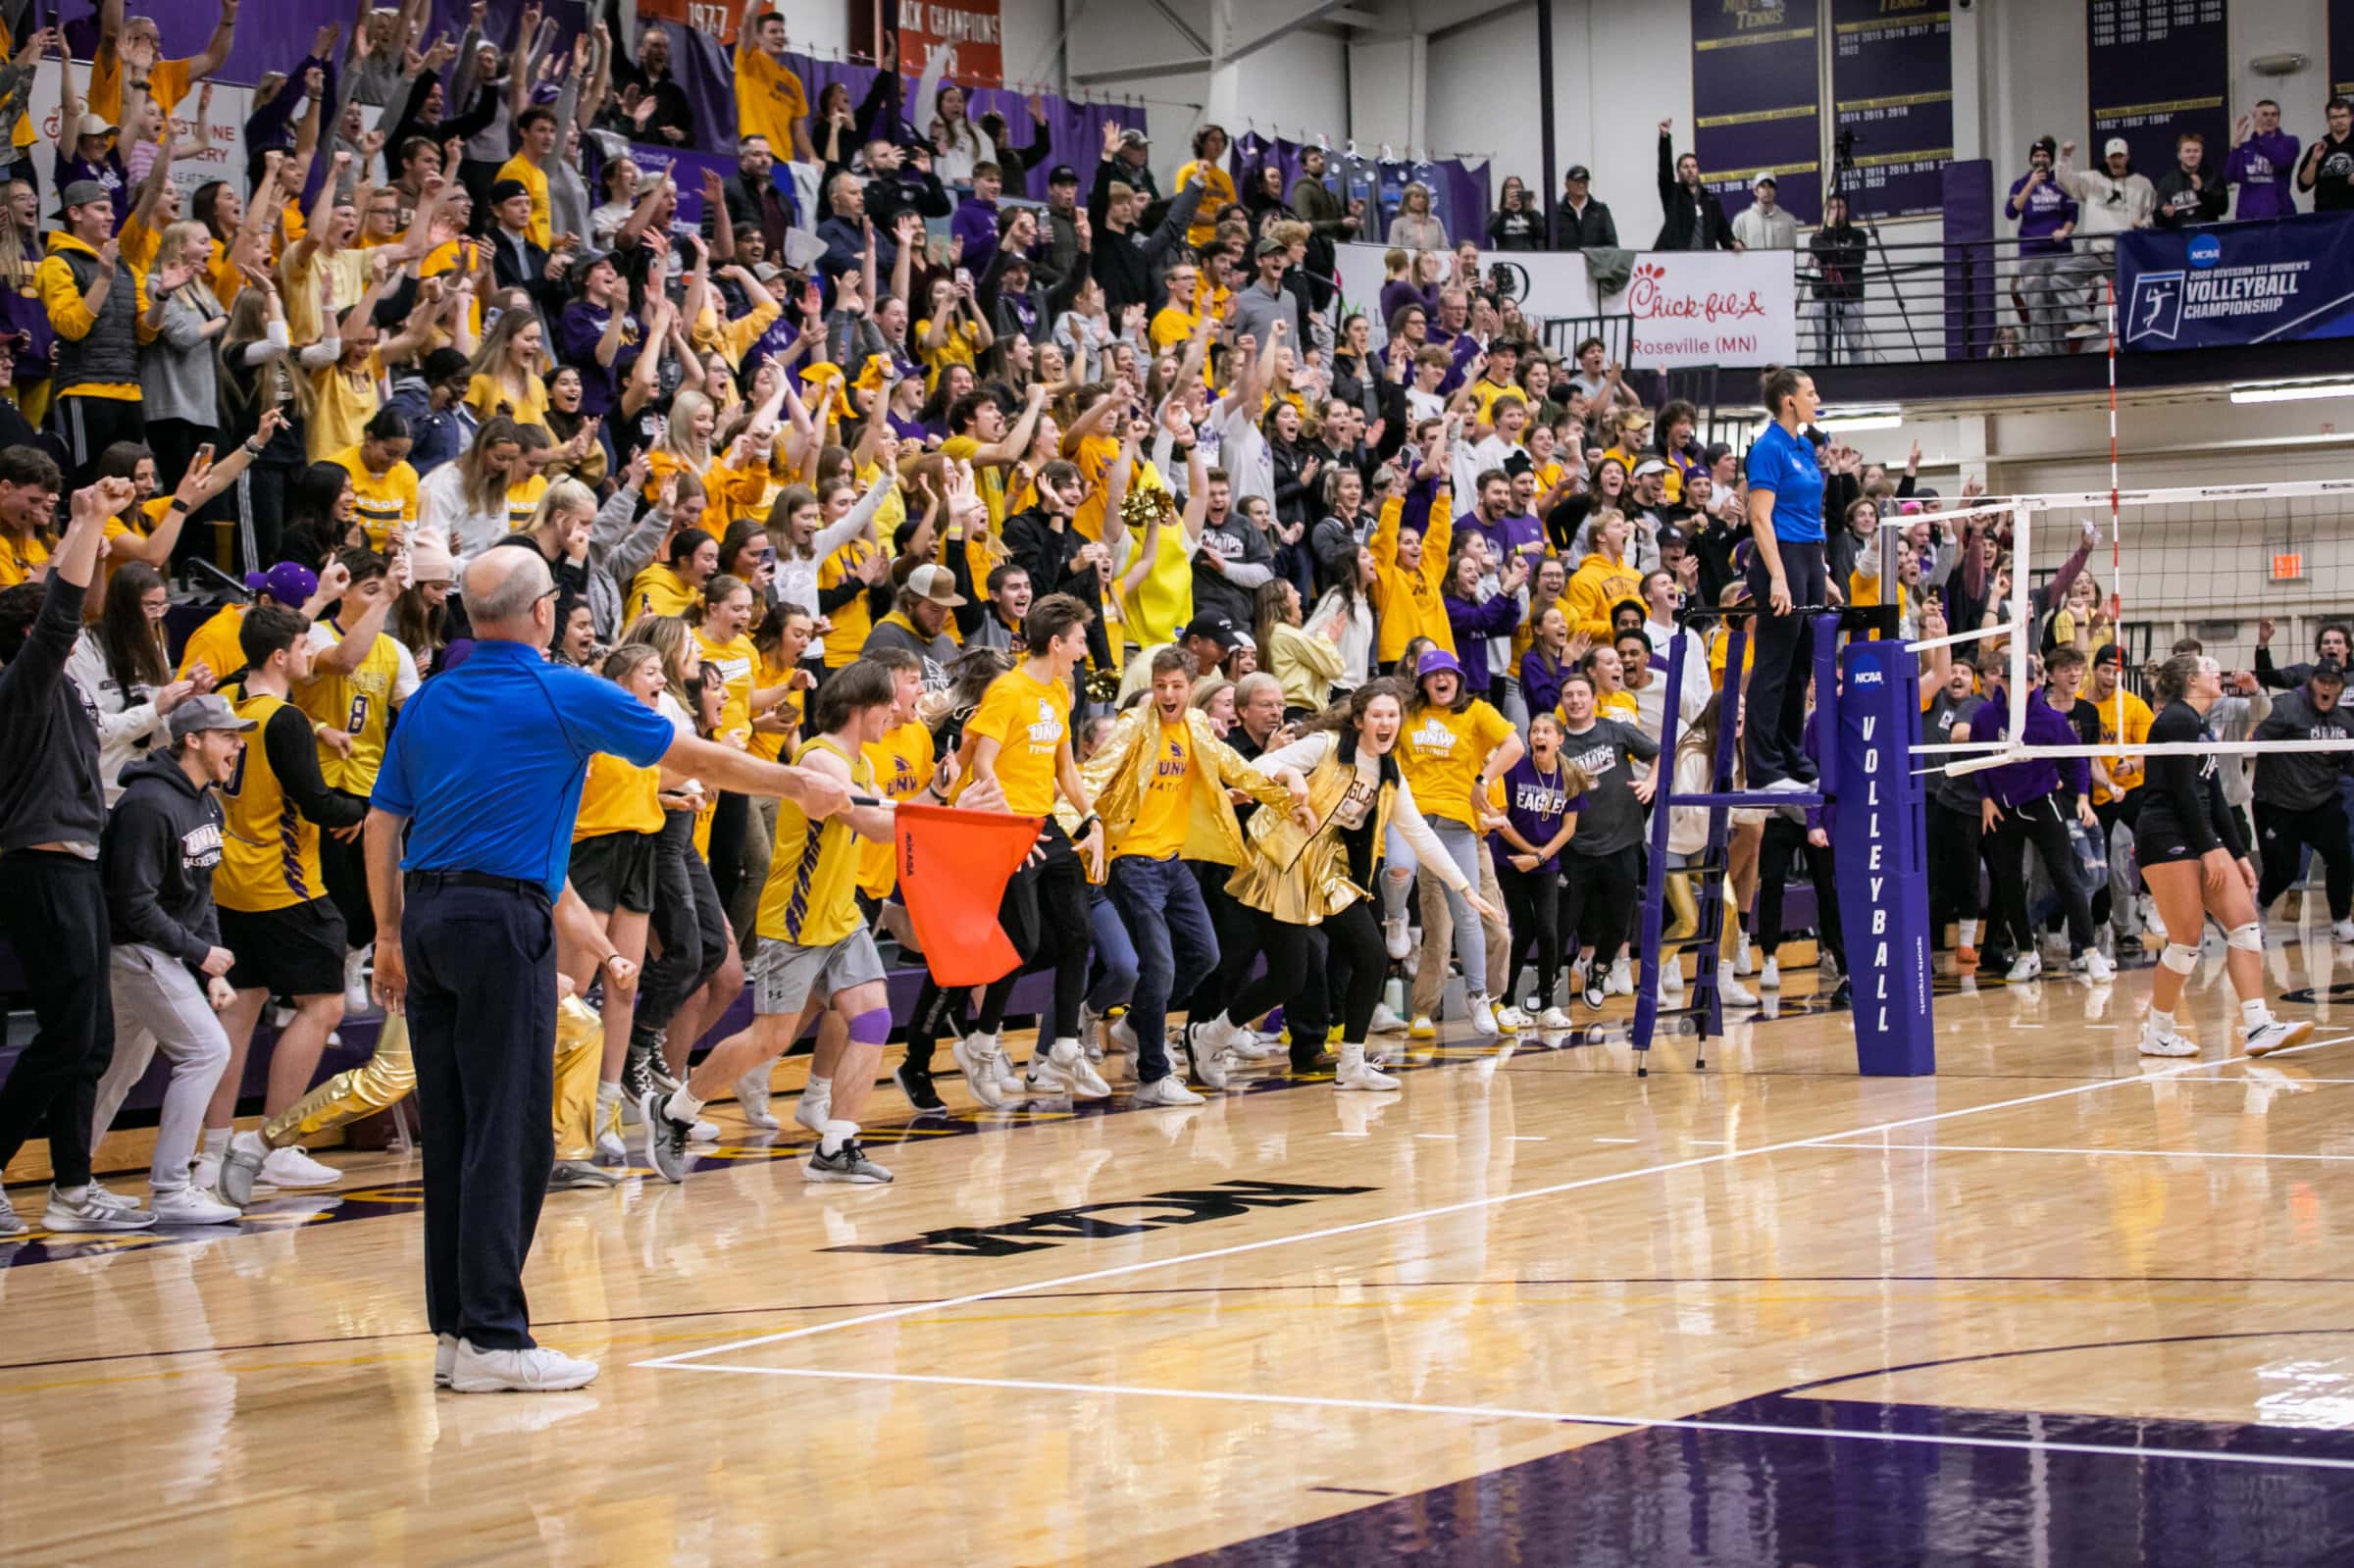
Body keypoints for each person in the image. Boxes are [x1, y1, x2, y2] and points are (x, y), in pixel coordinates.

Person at [365, 546, 849, 1392]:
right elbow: (695, 758)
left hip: (430, 916)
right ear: (543, 613)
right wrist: (795, 781)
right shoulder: (563, 689)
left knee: (453, 1130)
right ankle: (493, 1337)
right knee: (510, 1129)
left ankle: (455, 1330)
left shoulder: (433, 697)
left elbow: (382, 820)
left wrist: (388, 932)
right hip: (499, 919)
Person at [644, 660, 909, 1184]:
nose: (896, 712)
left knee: (874, 1017)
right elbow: (876, 826)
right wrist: (940, 809)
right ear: (861, 707)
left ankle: (837, 1144)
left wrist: (942, 802)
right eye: (888, 703)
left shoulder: (862, 766)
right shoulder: (820, 760)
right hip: (796, 917)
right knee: (769, 1039)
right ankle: (675, 1110)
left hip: (838, 914)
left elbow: (887, 817)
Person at [1205, 680, 1503, 1091]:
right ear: (1360, 720)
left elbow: (1419, 834)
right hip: (1284, 861)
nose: (1386, 723)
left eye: (1393, 715)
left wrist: (1466, 890)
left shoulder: (1387, 773)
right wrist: (1291, 773)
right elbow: (1255, 769)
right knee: (1290, 977)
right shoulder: (1325, 746)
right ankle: (1212, 1036)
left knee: (1371, 955)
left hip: (1329, 870)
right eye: (1377, 715)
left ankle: (1351, 1063)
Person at [0, 470, 141, 1237]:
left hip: (78, 861)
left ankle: (72, 1186)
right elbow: (60, 612)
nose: (79, 635)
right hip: (39, 864)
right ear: (29, 641)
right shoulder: (16, 689)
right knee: (67, 1034)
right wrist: (86, 517)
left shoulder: (61, 693)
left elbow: (62, 608)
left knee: (93, 1036)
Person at [196, 601, 371, 1195]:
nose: (309, 657)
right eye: (303, 648)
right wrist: (367, 812)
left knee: (240, 1012)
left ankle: (214, 1149)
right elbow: (317, 802)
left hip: (227, 875)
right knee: (324, 1006)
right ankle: (275, 1141)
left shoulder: (225, 700)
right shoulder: (283, 719)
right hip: (283, 881)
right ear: (280, 654)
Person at [1082, 646, 1309, 1100]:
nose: (1167, 694)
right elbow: (1092, 775)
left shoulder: (1198, 728)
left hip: (1173, 862)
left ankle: (1135, 1024)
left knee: (1205, 956)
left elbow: (1238, 770)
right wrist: (1081, 820)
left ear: (1191, 689)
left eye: (1176, 686)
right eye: (1160, 685)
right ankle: (1153, 1075)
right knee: (1159, 967)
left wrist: (1286, 800)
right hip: (1131, 861)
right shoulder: (1133, 727)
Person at [88, 692, 250, 1226]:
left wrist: (213, 967)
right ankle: (172, 1187)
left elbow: (199, 891)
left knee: (117, 1072)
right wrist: (198, 953)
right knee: (206, 1050)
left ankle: (73, 1181)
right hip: (132, 948)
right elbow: (132, 903)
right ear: (193, 739)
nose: (238, 744)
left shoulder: (205, 801)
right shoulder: (146, 805)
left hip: (163, 950)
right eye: (228, 735)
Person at [948, 593, 1107, 1106]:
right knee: (1022, 940)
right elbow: (983, 764)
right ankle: (983, 1040)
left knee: (1079, 933)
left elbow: (1065, 770)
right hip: (1006, 828)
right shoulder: (1008, 691)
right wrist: (1002, 820)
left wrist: (1091, 819)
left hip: (1045, 823)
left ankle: (1064, 1046)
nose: (1086, 651)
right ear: (1057, 642)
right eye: (1081, 641)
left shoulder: (1060, 692)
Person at [2134, 653, 2313, 1060]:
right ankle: (2157, 1031)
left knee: (2245, 924)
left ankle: (2258, 1025)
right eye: (2210, 667)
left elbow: (2214, 797)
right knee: (2186, 940)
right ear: (2192, 680)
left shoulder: (2199, 726)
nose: (2220, 673)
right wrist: (2211, 849)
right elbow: (2181, 792)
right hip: (2166, 833)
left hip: (2200, 833)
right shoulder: (2175, 720)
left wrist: (2237, 854)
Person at [1743, 367, 1825, 794]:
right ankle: (1763, 768)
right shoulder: (1768, 448)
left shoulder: (1805, 447)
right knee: (1774, 663)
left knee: (1800, 666)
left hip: (1809, 554)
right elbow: (1759, 517)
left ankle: (1792, 757)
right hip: (1782, 556)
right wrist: (1778, 576)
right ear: (1789, 400)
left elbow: (1811, 511)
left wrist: (1822, 570)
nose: (1817, 398)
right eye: (1810, 393)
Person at [1557, 668, 1661, 1007]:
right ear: (1562, 702)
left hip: (1622, 839)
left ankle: (1601, 969)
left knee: (1620, 917)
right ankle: (1554, 980)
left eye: (1580, 694)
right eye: (1569, 695)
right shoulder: (1558, 743)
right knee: (1570, 916)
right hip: (1577, 844)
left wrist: (1651, 783)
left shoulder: (1616, 730)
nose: (1575, 700)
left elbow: (1660, 754)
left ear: (1593, 699)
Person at [1488, 712, 1587, 1028]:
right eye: (1534, 731)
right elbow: (1501, 820)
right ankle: (1506, 1001)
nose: (1539, 736)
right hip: (1510, 861)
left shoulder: (1570, 776)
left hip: (1545, 865)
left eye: (1547, 731)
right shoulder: (1516, 769)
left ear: (1559, 740)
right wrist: (1530, 853)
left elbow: (1568, 828)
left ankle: (1547, 1004)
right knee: (1523, 930)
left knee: (1548, 929)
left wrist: (1541, 858)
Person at [2250, 658, 2354, 942]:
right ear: (2312, 684)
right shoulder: (2287, 709)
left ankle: (2341, 919)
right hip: (2277, 803)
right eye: (2322, 682)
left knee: (2342, 856)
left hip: (2322, 803)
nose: (2327, 688)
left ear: (2341, 689)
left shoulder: (2344, 721)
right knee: (2283, 870)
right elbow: (2256, 741)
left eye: (2334, 684)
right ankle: (2261, 904)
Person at [2006, 136, 2078, 355]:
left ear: (2050, 159)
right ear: (2031, 159)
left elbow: (2073, 214)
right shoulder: (2021, 183)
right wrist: (2031, 184)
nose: (2041, 159)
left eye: (2045, 155)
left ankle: (2060, 354)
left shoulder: (2061, 181)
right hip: (2032, 254)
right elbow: (2011, 212)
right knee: (2036, 306)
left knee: (2058, 307)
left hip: (2060, 253)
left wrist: (2065, 232)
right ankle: (2041, 354)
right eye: (2036, 156)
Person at [1654, 120, 1735, 251]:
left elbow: (1723, 230)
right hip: (1676, 261)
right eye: (1685, 167)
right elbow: (1665, 172)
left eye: (1693, 166)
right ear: (1678, 172)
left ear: (1698, 170)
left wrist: (1733, 243)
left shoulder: (1710, 200)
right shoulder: (1672, 194)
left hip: (1706, 262)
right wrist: (1664, 138)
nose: (1690, 170)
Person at [2151, 132, 2227, 229]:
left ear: (2201, 154)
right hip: (2179, 239)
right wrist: (2164, 213)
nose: (2192, 155)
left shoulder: (2213, 177)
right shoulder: (2167, 182)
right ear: (2179, 155)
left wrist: (2201, 192)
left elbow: (2222, 209)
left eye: (2196, 151)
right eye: (2187, 151)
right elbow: (2157, 219)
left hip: (2206, 237)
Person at [2295, 96, 2353, 213]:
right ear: (2328, 120)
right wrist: (2314, 161)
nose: (2339, 120)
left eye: (2343, 116)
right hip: (2326, 218)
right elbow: (2303, 185)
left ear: (2351, 118)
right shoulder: (2318, 148)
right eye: (2334, 117)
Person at [1555, 164, 1616, 250]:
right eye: (1577, 181)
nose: (1581, 185)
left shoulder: (1600, 211)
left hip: (1594, 263)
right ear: (1567, 184)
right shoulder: (1556, 212)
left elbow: (1612, 245)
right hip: (1564, 262)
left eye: (1584, 181)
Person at [1731, 173, 1796, 251]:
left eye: (1771, 186)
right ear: (1755, 191)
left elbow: (1792, 252)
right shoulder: (1741, 220)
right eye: (1763, 186)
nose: (1767, 190)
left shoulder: (1788, 220)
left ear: (1775, 191)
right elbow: (1733, 251)